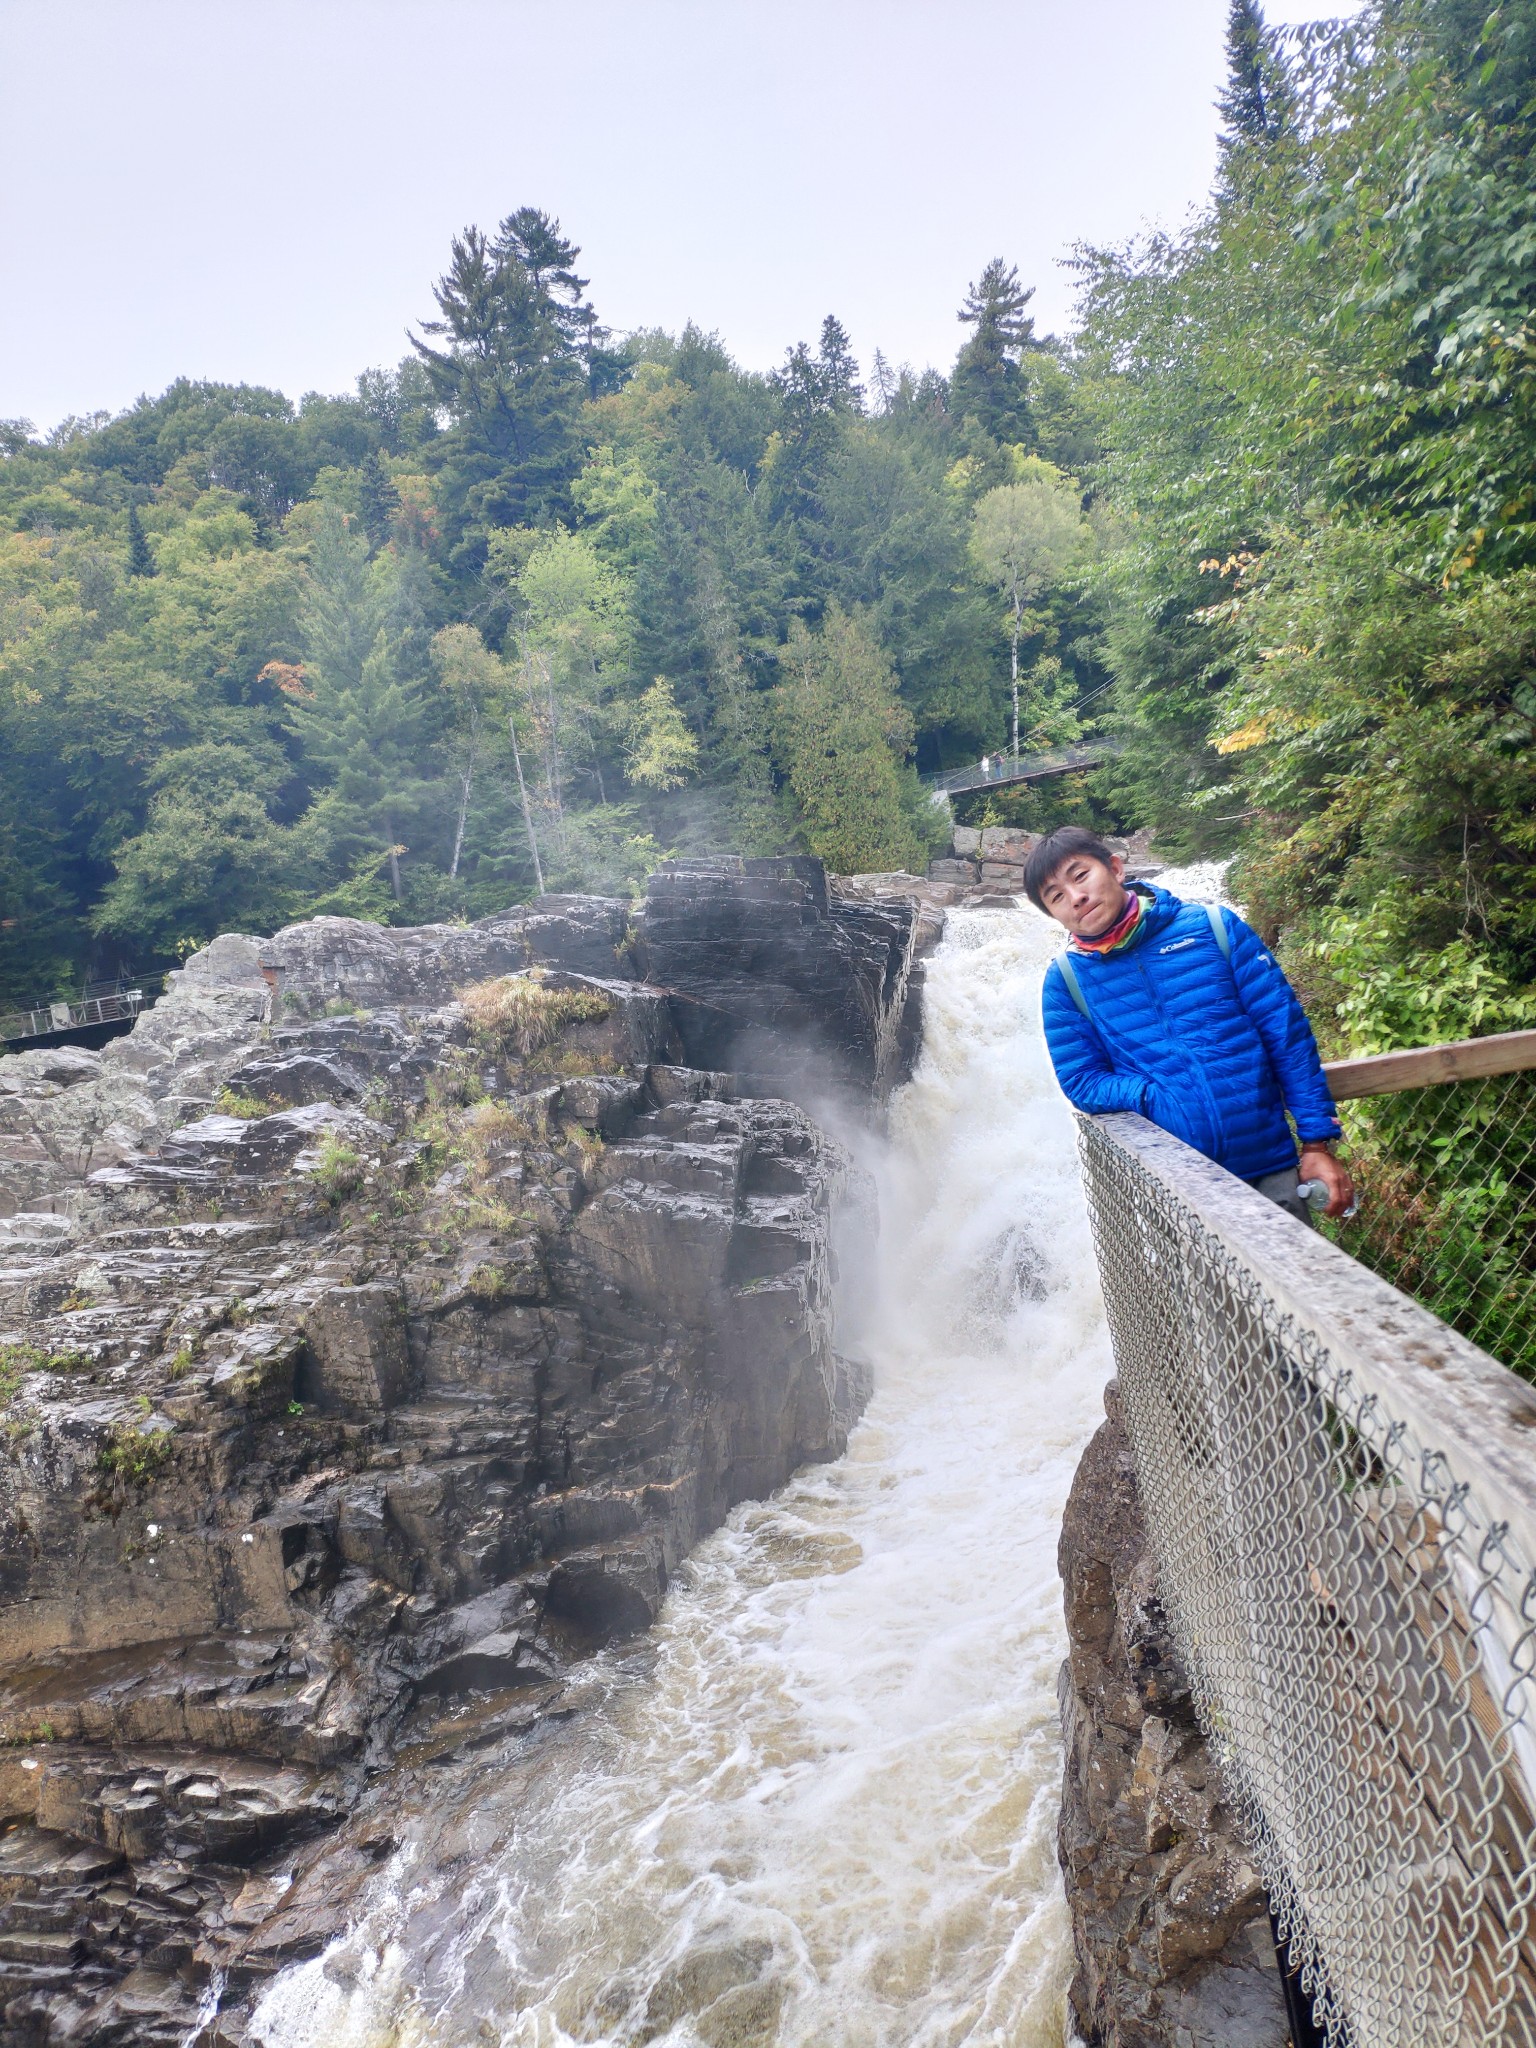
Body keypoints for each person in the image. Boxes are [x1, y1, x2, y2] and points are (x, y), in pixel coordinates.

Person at [1026, 826, 1355, 1221]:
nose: (1076, 897)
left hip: (1270, 1167)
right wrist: (1149, 1097)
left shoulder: (1214, 929)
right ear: (1054, 916)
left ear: (1115, 867)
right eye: (1056, 896)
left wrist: (1317, 1145)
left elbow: (1287, 1038)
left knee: (1298, 1279)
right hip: (1174, 1185)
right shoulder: (1065, 981)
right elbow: (1081, 1080)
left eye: (1080, 876)